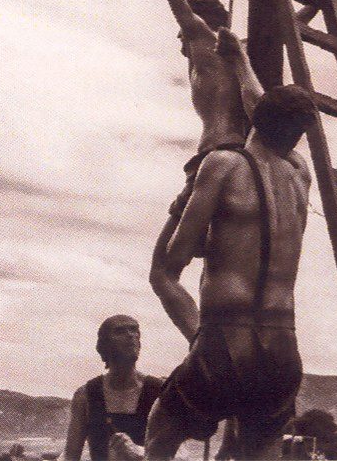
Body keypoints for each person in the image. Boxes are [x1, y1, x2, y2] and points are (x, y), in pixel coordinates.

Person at [111, 84, 318, 461]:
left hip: (225, 340)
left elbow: (170, 266)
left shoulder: (223, 164)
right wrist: (240, 61)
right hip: (283, 350)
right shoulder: (300, 175)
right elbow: (265, 108)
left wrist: (181, 204)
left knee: (162, 425)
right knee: (261, 448)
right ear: (297, 133)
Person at [149, 0, 317, 335]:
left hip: (216, 159)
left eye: (182, 33)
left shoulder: (205, 43)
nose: (180, 43)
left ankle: (201, 341)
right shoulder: (245, 51)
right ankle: (228, 335)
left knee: (163, 271)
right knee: (231, 259)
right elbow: (296, 22)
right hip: (252, 168)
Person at [64, 315, 163, 461]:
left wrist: (139, 452)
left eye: (134, 330)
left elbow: (180, 454)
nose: (130, 335)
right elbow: (70, 456)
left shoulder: (158, 391)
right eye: (120, 331)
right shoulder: (86, 395)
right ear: (104, 345)